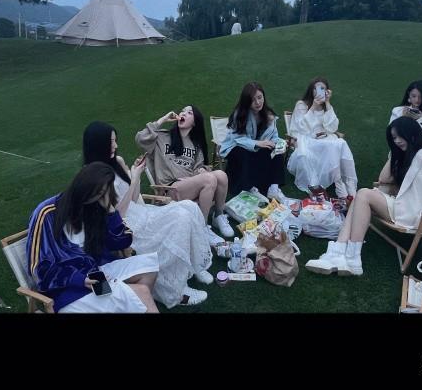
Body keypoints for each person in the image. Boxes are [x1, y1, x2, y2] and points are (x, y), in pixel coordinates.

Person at [305, 116, 422, 277]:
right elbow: (383, 179)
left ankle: (351, 258)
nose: (397, 141)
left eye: (400, 136)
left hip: (415, 214)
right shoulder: (409, 154)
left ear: (412, 134)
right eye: (394, 138)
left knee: (363, 194)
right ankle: (338, 252)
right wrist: (395, 153)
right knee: (360, 197)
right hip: (403, 206)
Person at [86, 121, 213, 307]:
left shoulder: (117, 161)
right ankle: (175, 291)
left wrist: (135, 175)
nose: (115, 145)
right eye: (111, 142)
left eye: (115, 141)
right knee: (181, 218)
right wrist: (134, 179)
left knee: (189, 207)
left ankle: (195, 265)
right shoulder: (93, 177)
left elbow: (134, 196)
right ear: (97, 144)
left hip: (140, 212)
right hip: (125, 226)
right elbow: (117, 216)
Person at [26, 162, 160, 313]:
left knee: (149, 267)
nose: (96, 197)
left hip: (96, 271)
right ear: (81, 185)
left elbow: (122, 242)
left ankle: (131, 304)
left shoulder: (94, 206)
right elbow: (38, 270)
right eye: (96, 192)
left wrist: (110, 212)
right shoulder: (47, 213)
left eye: (102, 193)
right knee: (141, 292)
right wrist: (79, 279)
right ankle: (133, 301)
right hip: (69, 288)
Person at [135, 106, 234, 238]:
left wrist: (201, 171)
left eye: (189, 113)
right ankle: (201, 227)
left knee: (221, 175)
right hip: (170, 188)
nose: (183, 113)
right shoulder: (161, 137)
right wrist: (163, 119)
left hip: (189, 184)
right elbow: (140, 138)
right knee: (209, 179)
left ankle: (218, 215)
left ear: (194, 122)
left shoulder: (195, 146)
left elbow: (198, 169)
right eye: (183, 111)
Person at [286, 77, 357, 199]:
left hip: (324, 138)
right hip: (307, 139)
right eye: (315, 88)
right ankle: (338, 184)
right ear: (311, 90)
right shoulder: (301, 105)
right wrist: (313, 106)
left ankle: (348, 184)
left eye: (322, 88)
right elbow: (302, 128)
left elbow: (333, 127)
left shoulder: (326, 107)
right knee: (332, 146)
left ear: (327, 91)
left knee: (340, 143)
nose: (317, 91)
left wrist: (328, 103)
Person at [219, 81, 286, 199]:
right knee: (243, 152)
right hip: (236, 147)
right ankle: (249, 188)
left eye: (260, 97)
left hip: (257, 149)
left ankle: (273, 187)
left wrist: (280, 143)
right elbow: (237, 138)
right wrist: (258, 143)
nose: (258, 102)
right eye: (253, 100)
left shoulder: (268, 114)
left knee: (276, 150)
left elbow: (274, 136)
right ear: (246, 101)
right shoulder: (240, 115)